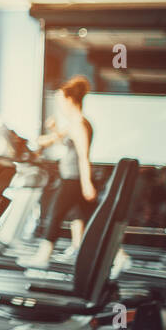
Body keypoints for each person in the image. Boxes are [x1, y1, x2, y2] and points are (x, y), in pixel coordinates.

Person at [30, 75, 97, 264]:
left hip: (74, 179)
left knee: (54, 214)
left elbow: (84, 156)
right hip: (72, 178)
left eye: (60, 101)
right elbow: (59, 138)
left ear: (69, 100)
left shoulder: (79, 125)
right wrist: (51, 131)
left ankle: (43, 257)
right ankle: (83, 249)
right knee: (83, 217)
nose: (59, 105)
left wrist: (86, 184)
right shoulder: (76, 123)